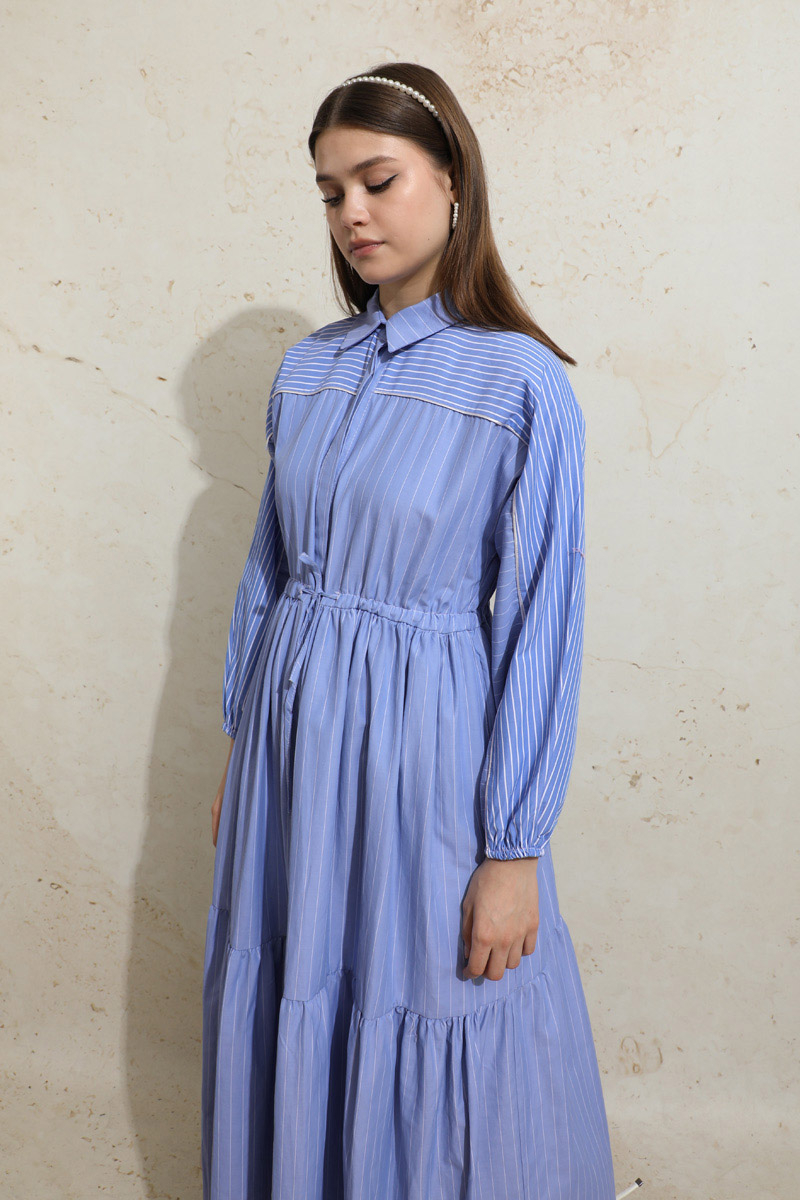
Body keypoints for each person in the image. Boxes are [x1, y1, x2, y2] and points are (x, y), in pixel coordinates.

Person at [202, 62, 616, 1200]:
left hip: (419, 759)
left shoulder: (519, 383)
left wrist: (514, 847)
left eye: (378, 181)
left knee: (434, 1005)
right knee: (291, 985)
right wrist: (241, 748)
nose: (353, 214)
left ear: (452, 178)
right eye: (330, 192)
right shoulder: (308, 369)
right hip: (288, 758)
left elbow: (542, 622)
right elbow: (269, 572)